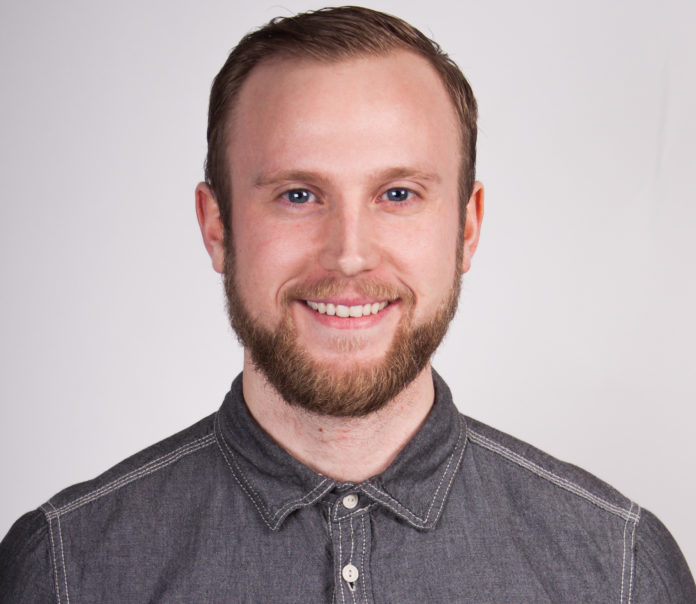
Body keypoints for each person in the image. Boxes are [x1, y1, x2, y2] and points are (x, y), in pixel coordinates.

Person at [1, 6, 694, 602]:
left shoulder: (621, 570)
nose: (350, 255)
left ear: (467, 228)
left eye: (398, 194)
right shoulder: (63, 570)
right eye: (298, 195)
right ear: (217, 227)